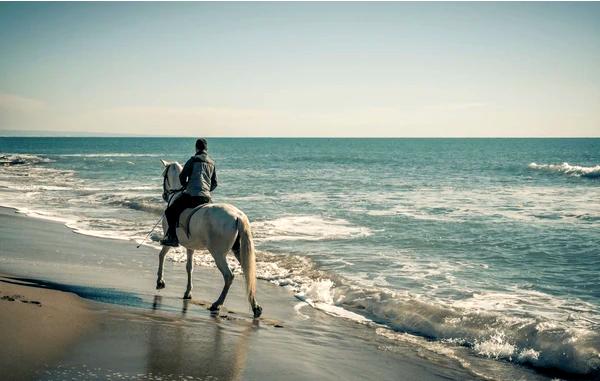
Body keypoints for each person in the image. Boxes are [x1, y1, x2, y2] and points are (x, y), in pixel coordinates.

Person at [160, 138, 218, 247]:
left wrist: (186, 186)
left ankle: (172, 238)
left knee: (170, 211)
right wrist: (205, 190)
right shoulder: (212, 163)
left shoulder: (193, 160)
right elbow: (214, 183)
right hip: (206, 197)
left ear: (196, 148)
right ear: (206, 149)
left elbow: (182, 176)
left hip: (192, 196)